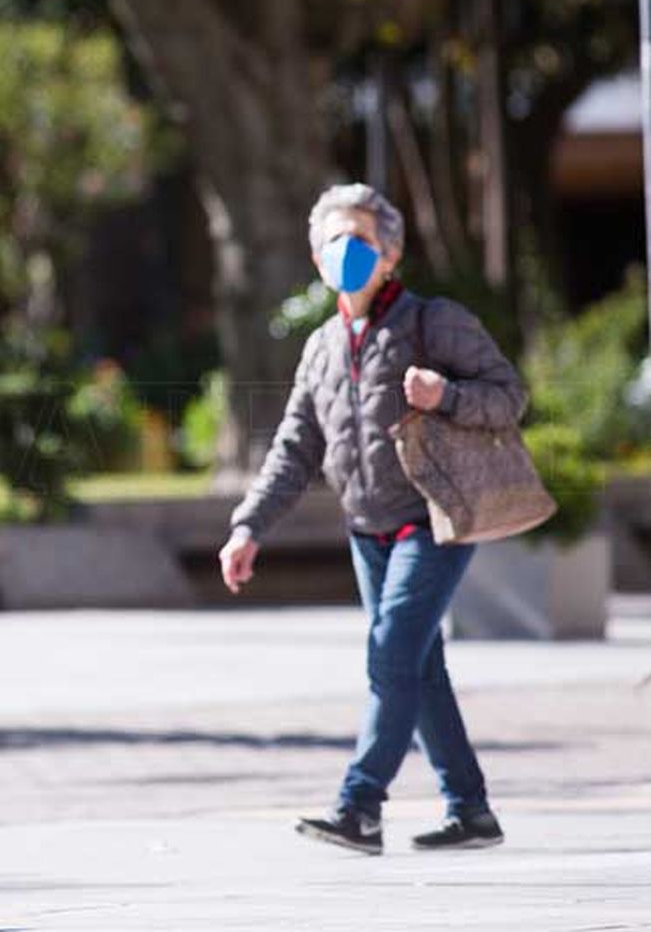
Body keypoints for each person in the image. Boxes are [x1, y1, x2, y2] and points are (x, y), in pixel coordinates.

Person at [217, 183, 526, 856]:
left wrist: (445, 394)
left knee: (390, 658)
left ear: (391, 252)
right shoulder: (324, 346)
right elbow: (295, 449)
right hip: (367, 530)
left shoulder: (433, 322)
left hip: (431, 518)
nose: (344, 251)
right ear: (315, 254)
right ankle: (471, 811)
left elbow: (508, 397)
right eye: (332, 239)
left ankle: (359, 806)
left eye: (359, 238)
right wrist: (248, 528)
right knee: (420, 668)